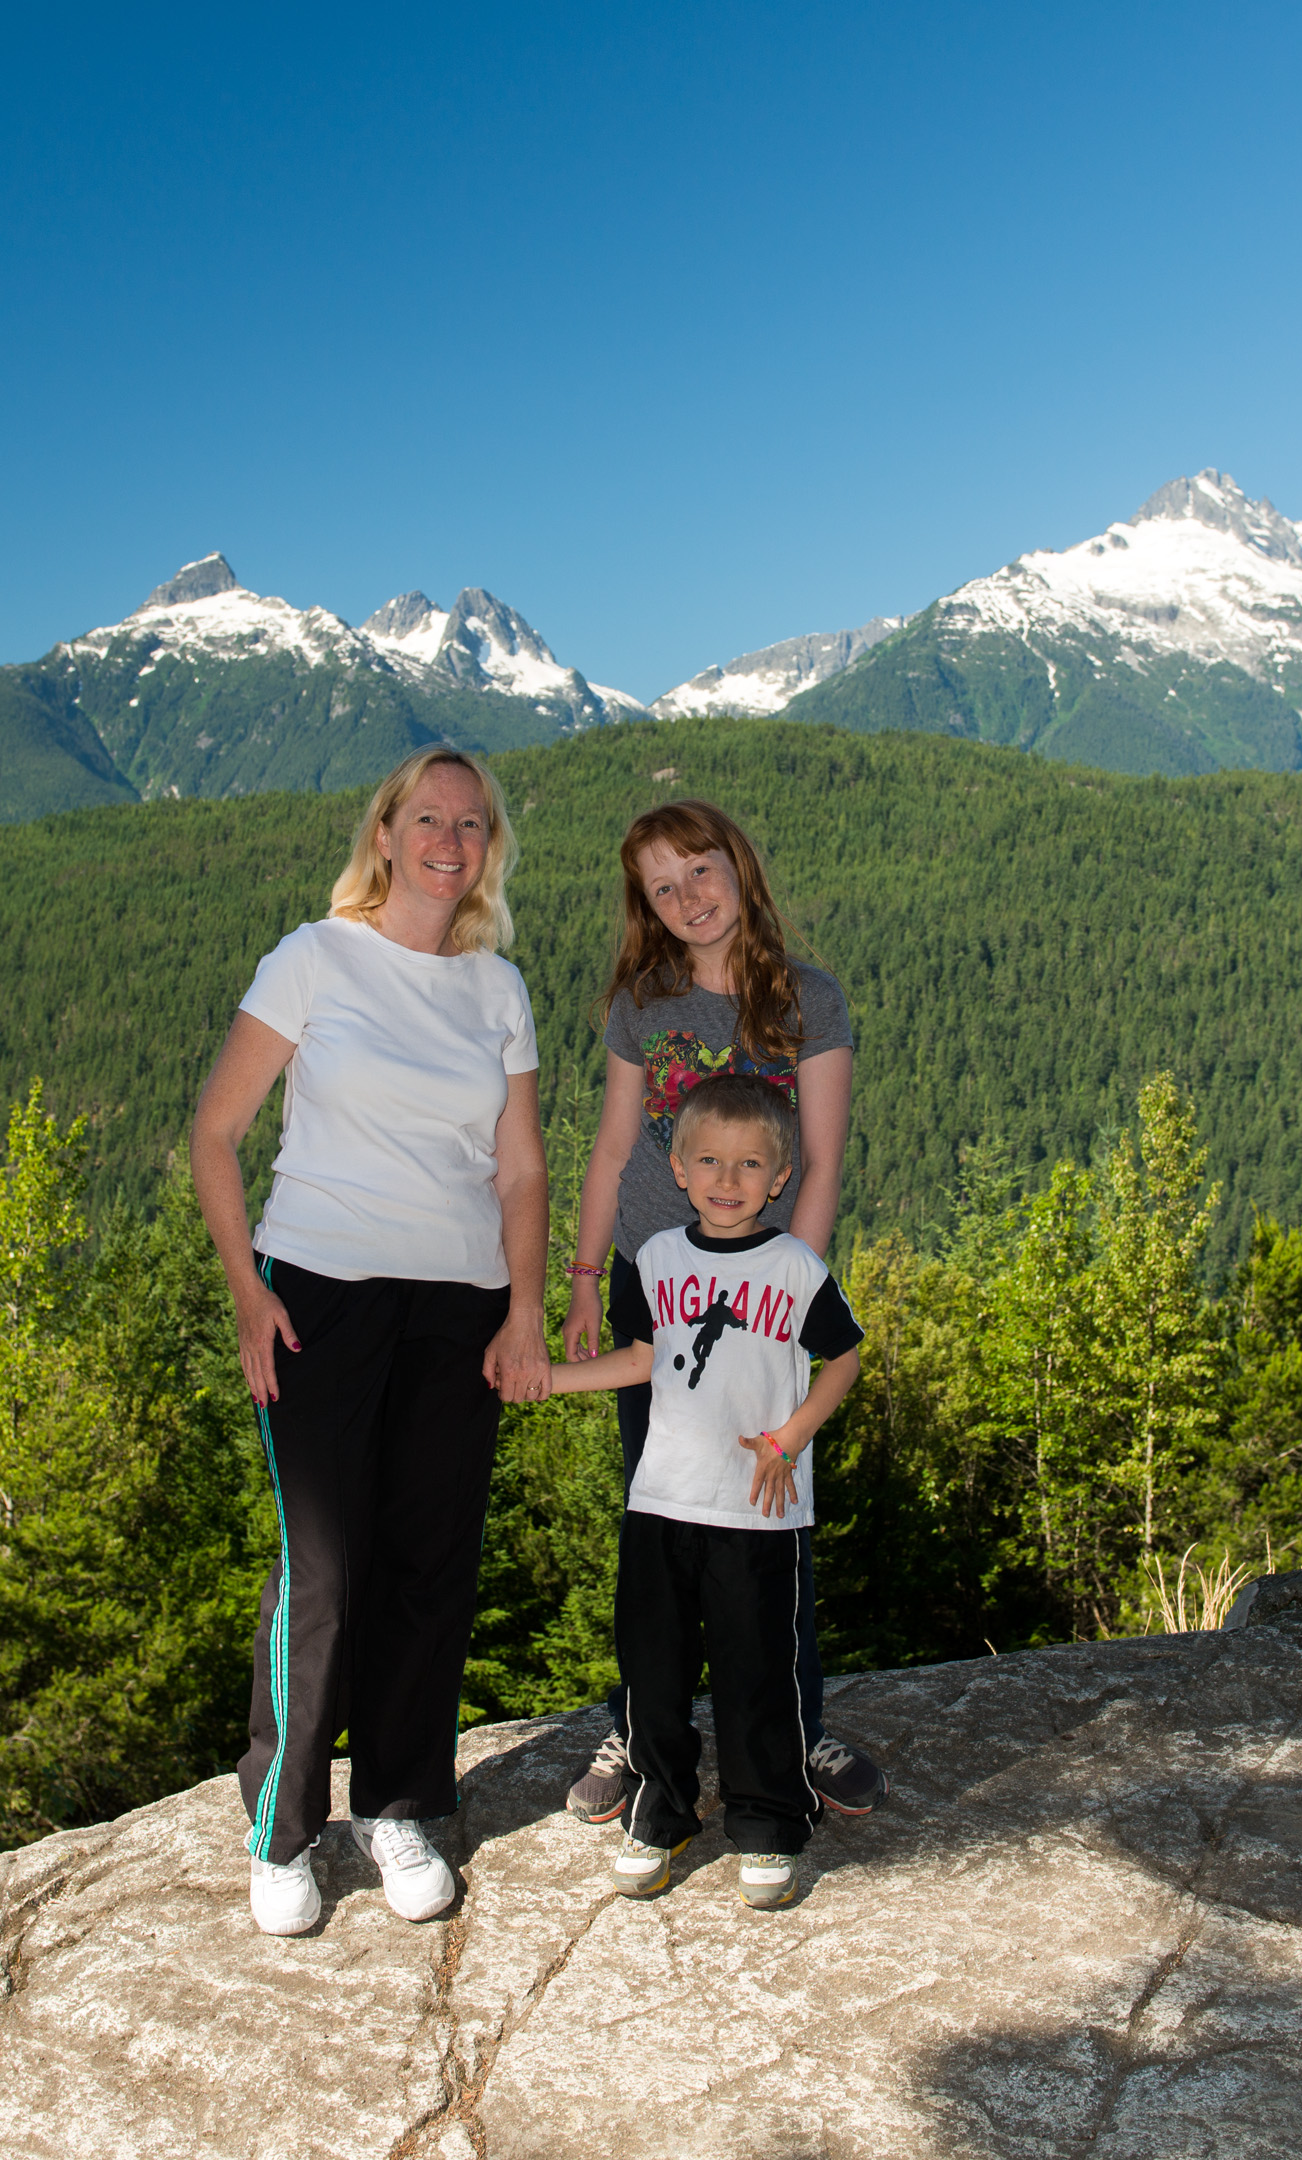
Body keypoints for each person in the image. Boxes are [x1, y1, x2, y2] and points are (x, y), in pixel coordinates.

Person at [187, 744, 553, 1938]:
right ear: (385, 834)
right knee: (328, 1569)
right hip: (321, 1293)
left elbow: (521, 1170)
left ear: (489, 849)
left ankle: (398, 1806)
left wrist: (523, 1308)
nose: (450, 841)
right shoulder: (314, 958)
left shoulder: (497, 989)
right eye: (428, 819)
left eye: (472, 824)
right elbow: (215, 1131)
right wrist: (247, 1292)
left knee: (429, 1563)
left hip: (460, 1305)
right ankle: (284, 1829)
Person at [555, 799, 886, 1821]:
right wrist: (582, 1278)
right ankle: (638, 1725)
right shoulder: (642, 1005)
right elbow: (615, 1149)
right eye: (663, 887)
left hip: (766, 1287)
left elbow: (820, 1160)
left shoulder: (809, 1000)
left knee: (770, 1510)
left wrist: (790, 1289)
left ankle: (796, 1724)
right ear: (646, 908)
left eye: (699, 869)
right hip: (653, 1282)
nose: (688, 897)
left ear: (738, 866)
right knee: (656, 1509)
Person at [545, 1074, 864, 1910]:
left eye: (751, 1163)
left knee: (758, 1676)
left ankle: (768, 1825)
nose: (729, 1179)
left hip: (758, 1510)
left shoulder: (795, 1267)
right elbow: (640, 1361)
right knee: (654, 1671)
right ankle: (660, 1813)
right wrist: (550, 1379)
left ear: (780, 1176)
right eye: (711, 1161)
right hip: (663, 1500)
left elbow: (844, 1360)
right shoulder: (657, 1259)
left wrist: (791, 1437)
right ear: (680, 1169)